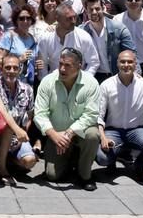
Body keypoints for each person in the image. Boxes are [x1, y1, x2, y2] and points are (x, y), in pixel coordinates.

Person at [34, 48, 100, 190]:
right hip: (56, 134)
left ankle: (85, 176)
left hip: (80, 132)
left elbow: (91, 114)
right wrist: (53, 135)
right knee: (52, 175)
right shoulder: (47, 81)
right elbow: (39, 114)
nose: (62, 69)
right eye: (60, 64)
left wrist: (70, 132)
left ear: (79, 66)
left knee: (93, 135)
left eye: (68, 65)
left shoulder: (91, 83)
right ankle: (72, 158)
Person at [96, 51, 143, 178]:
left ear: (135, 64)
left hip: (137, 130)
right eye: (122, 61)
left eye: (130, 62)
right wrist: (103, 138)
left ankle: (138, 166)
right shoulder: (107, 84)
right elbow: (99, 115)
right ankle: (110, 162)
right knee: (102, 158)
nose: (126, 65)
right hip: (113, 130)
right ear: (117, 64)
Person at [0, 54, 38, 186]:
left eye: (15, 68)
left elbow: (29, 115)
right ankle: (1, 170)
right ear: (1, 68)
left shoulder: (27, 89)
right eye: (8, 67)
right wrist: (17, 130)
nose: (11, 71)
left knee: (29, 161)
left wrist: (23, 133)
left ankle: (7, 160)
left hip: (17, 136)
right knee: (8, 126)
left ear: (20, 69)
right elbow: (2, 111)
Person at [80, 0, 136, 83]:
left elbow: (131, 53)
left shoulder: (118, 28)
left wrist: (136, 75)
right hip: (93, 76)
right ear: (86, 11)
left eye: (97, 9)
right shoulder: (81, 31)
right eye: (91, 10)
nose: (94, 12)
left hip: (116, 76)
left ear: (103, 8)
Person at [37, 3, 100, 77]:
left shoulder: (83, 37)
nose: (73, 21)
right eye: (69, 18)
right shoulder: (45, 38)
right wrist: (46, 83)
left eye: (74, 17)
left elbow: (93, 62)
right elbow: (42, 64)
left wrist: (84, 81)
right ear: (57, 18)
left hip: (78, 83)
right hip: (54, 83)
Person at [0, 5, 39, 84]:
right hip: (9, 81)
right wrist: (19, 60)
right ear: (16, 20)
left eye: (28, 18)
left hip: (28, 84)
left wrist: (37, 64)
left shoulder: (32, 39)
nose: (25, 21)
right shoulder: (9, 36)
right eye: (21, 18)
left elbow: (32, 61)